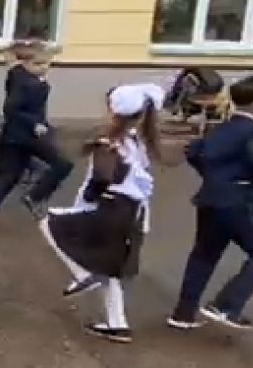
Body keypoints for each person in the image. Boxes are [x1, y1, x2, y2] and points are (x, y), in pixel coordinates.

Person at [39, 84, 165, 343]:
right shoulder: (139, 142)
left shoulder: (110, 142)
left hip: (110, 209)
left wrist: (87, 200)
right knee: (109, 268)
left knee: (49, 223)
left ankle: (82, 273)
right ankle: (116, 323)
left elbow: (102, 179)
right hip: (132, 213)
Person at [167, 74, 253, 333]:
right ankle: (226, 305)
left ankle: (183, 313)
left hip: (210, 198)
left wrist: (212, 177)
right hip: (237, 201)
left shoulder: (224, 126)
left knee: (204, 255)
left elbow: (194, 150)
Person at [0, 42, 73, 226]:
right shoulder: (28, 83)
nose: (44, 67)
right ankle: (35, 196)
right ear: (25, 63)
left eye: (47, 63)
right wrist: (34, 123)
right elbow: (10, 108)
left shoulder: (18, 76)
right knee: (63, 163)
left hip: (11, 136)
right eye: (38, 63)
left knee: (10, 175)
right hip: (28, 136)